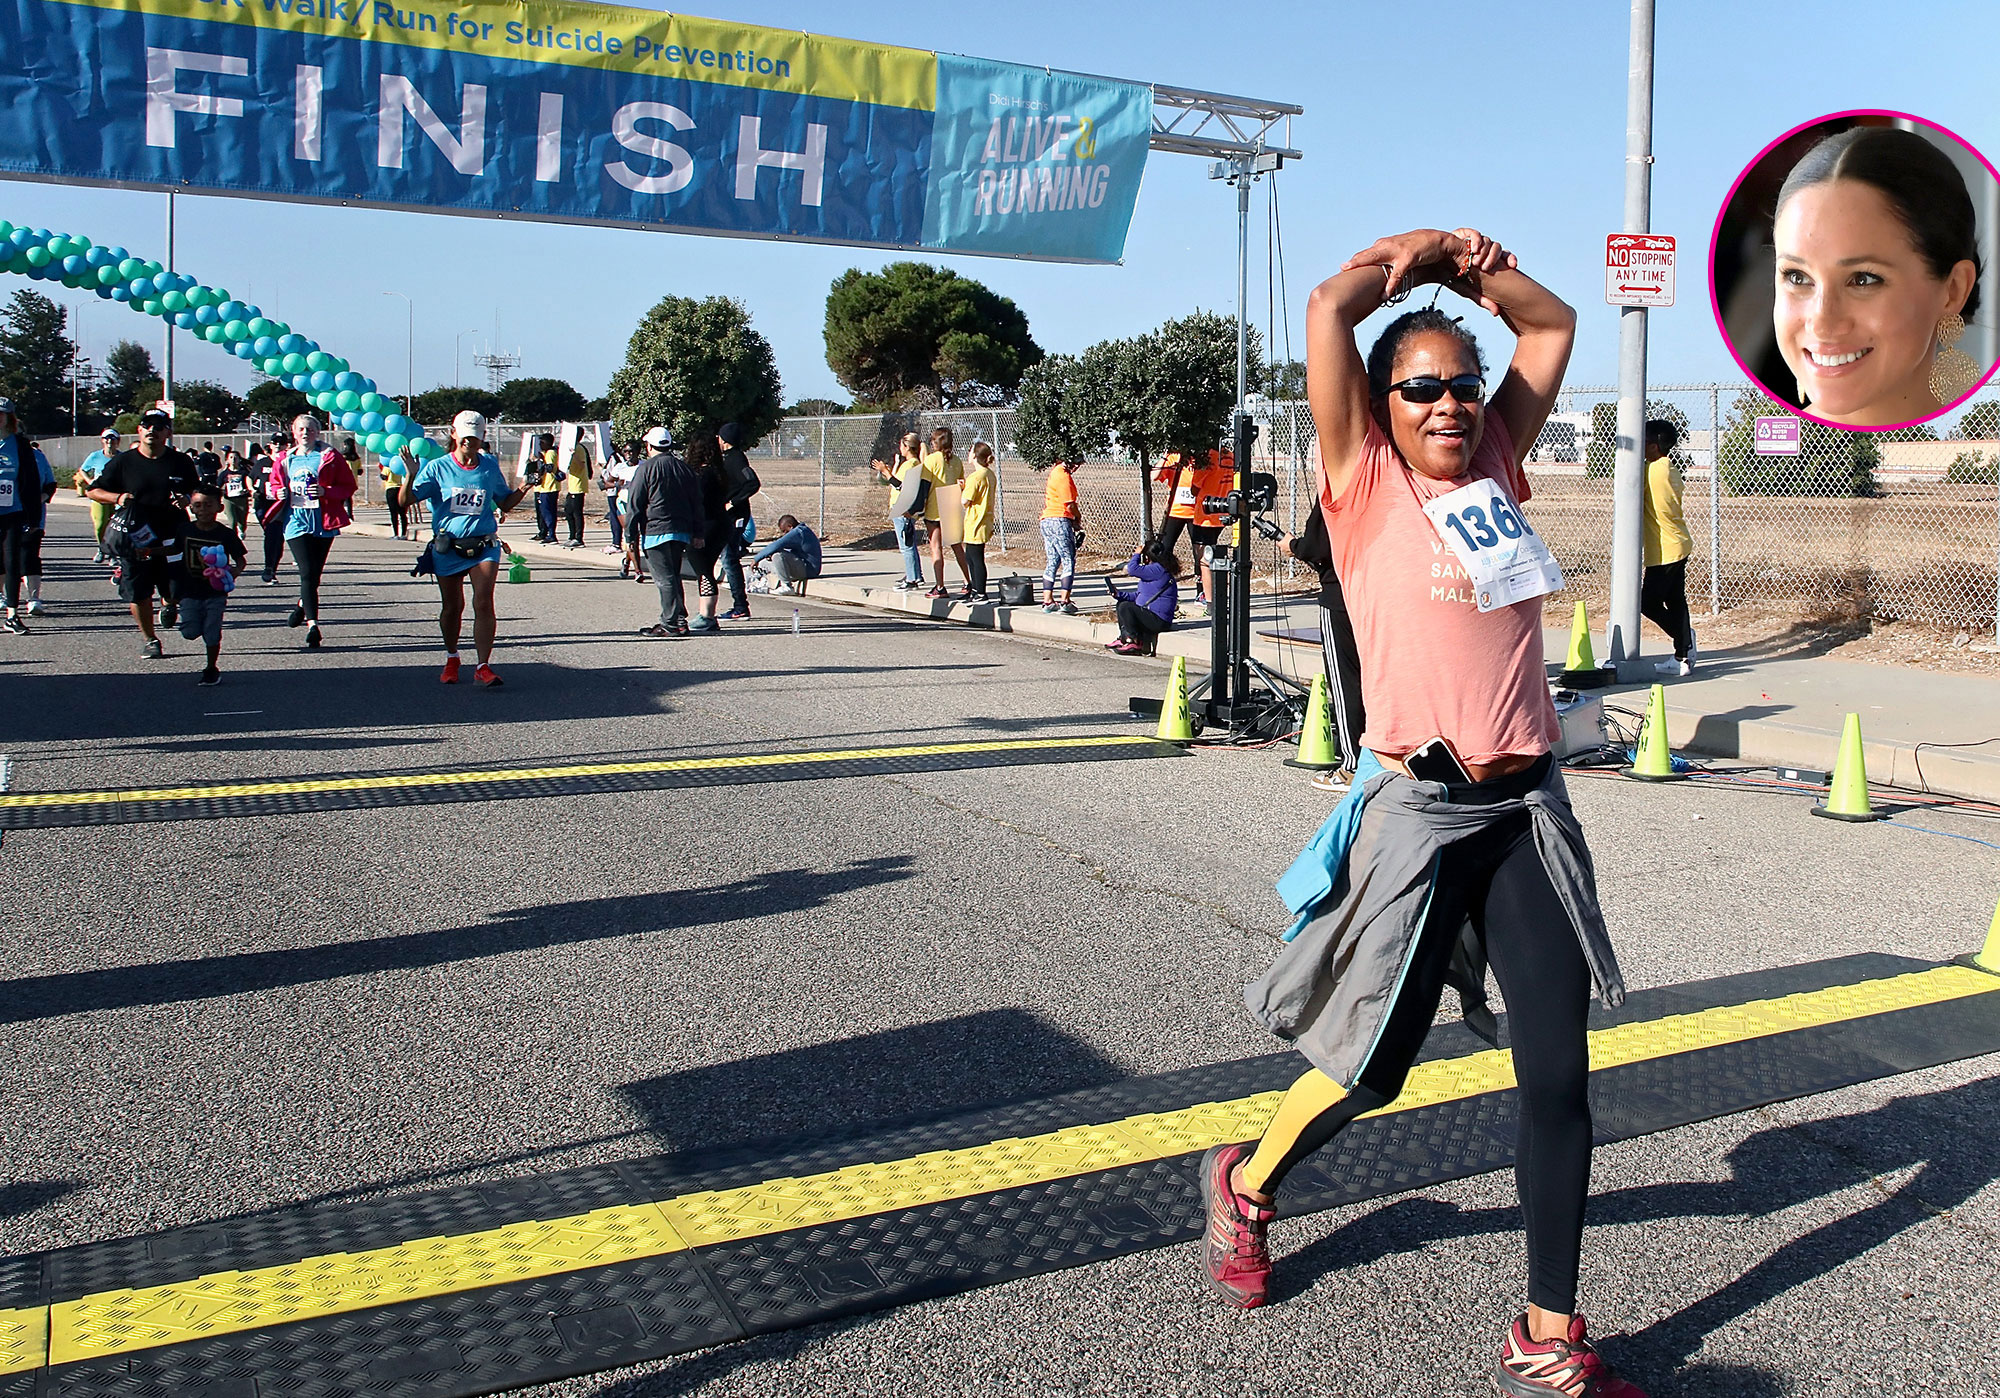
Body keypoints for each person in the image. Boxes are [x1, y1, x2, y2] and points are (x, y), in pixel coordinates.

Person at [1199, 227, 1647, 1398]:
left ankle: (1546, 1331)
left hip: (1525, 812)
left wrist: (1472, 269)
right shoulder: (1360, 481)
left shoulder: (1494, 457)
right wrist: (1417, 253)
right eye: (1419, 388)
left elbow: (1548, 324)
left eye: (1461, 385)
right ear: (1379, 406)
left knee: (1556, 1074)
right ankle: (1247, 1182)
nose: (1447, 404)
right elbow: (1328, 306)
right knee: (1372, 1066)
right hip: (1419, 813)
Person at [1772, 126, 1982, 426]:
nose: (1821, 323)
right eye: (1797, 277)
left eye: (1863, 279)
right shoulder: (1759, 450)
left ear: (1953, 290)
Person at [408, 410, 527, 686]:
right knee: (452, 607)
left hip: (484, 545)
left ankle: (483, 666)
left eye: (474, 437)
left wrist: (525, 487)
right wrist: (409, 477)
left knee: (483, 601)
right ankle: (452, 658)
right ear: (454, 434)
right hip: (448, 547)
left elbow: (504, 502)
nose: (468, 442)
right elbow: (406, 500)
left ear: (482, 437)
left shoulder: (489, 466)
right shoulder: (438, 468)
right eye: (464, 436)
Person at [87, 407, 196, 657]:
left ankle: (169, 603)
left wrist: (188, 499)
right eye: (147, 426)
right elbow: (94, 490)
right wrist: (118, 497)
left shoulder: (180, 461)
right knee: (139, 592)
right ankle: (150, 639)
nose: (151, 430)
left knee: (175, 589)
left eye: (158, 427)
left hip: (172, 537)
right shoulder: (124, 462)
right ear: (139, 430)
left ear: (168, 433)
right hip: (135, 538)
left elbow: (197, 490)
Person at [1281, 495, 1366, 787]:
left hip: (1340, 596)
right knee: (1376, 683)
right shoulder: (1384, 484)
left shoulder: (1336, 489)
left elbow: (1317, 547)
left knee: (1345, 684)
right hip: (1379, 593)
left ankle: (1352, 766)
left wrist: (1293, 546)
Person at [275, 413, 356, 649]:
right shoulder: (285, 458)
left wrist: (325, 492)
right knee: (307, 572)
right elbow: (275, 483)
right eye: (301, 429)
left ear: (318, 433)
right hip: (295, 521)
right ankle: (313, 626)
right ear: (294, 432)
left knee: (314, 574)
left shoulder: (330, 456)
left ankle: (302, 605)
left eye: (310, 429)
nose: (305, 433)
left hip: (323, 521)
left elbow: (348, 486)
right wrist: (278, 491)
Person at [624, 425, 702, 636]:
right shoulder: (684, 468)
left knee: (664, 579)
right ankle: (679, 620)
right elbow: (697, 503)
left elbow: (635, 504)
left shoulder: (646, 469)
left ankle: (669, 624)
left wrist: (630, 535)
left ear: (649, 446)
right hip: (681, 530)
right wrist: (698, 532)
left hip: (656, 531)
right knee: (673, 575)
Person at [174, 482, 247, 685]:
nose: (203, 510)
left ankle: (211, 668)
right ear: (191, 508)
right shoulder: (185, 529)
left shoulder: (225, 534)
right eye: (198, 505)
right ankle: (179, 615)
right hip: (189, 591)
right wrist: (150, 551)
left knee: (212, 632)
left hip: (215, 592)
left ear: (219, 507)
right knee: (190, 633)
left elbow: (240, 560)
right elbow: (174, 550)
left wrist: (234, 572)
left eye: (208, 505)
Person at [1640, 419, 1696, 676]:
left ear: (1654, 446)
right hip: (1677, 543)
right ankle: (1681, 656)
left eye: (1644, 441)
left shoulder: (1653, 471)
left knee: (1648, 603)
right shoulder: (1668, 467)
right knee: (1675, 600)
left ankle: (1685, 641)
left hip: (1665, 549)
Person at [1153, 447, 1230, 612]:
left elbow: (1197, 486)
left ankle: (1202, 593)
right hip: (1176, 511)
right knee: (1165, 549)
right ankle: (1163, 588)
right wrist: (1165, 455)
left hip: (1197, 512)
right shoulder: (1174, 456)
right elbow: (1154, 476)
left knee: (1200, 554)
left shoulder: (1205, 458)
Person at [0, 400, 54, 633]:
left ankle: (12, 614)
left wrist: (33, 518)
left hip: (12, 512)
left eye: (2, 414)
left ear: (9, 418)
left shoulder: (20, 445)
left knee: (12, 562)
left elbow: (31, 482)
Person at [681, 429, 734, 632]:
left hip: (706, 525)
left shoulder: (701, 475)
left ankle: (707, 616)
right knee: (706, 568)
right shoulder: (719, 471)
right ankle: (706, 613)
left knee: (703, 570)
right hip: (721, 523)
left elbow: (696, 502)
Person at [870, 431, 927, 589]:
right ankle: (915, 574)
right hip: (903, 508)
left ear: (907, 447)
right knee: (909, 544)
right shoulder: (912, 463)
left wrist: (885, 471)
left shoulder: (911, 464)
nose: (900, 448)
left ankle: (912, 579)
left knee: (906, 546)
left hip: (902, 508)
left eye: (902, 445)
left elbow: (900, 486)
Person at [716, 422, 760, 618]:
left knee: (729, 558)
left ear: (725, 439)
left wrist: (733, 502)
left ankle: (740, 606)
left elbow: (753, 483)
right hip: (726, 517)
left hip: (736, 517)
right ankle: (739, 605)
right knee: (727, 557)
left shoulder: (736, 459)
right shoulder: (725, 458)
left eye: (719, 437)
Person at [920, 426, 969, 598]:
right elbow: (960, 482)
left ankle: (940, 586)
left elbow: (924, 485)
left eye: (933, 440)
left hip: (935, 509)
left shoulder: (931, 460)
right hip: (952, 506)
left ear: (937, 443)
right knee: (957, 547)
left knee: (936, 548)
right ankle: (968, 581)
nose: (932, 443)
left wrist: (917, 507)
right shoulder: (956, 461)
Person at [1107, 542, 1179, 656]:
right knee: (1122, 603)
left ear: (1146, 557)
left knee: (1126, 607)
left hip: (1159, 620)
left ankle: (1134, 641)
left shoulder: (1157, 569)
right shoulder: (1154, 571)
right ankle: (1125, 638)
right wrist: (1118, 594)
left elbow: (1131, 569)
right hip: (1151, 616)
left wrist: (1136, 554)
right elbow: (1139, 596)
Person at [1039, 458, 1080, 614]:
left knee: (1053, 560)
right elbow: (1069, 503)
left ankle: (1047, 600)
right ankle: (1065, 601)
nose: (1076, 467)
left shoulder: (1054, 472)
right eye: (1076, 464)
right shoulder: (1063, 475)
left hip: (1047, 520)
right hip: (1059, 520)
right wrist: (1077, 517)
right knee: (1068, 559)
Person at [75, 426, 120, 561]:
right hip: (99, 494)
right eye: (107, 438)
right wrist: (90, 481)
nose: (109, 441)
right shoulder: (95, 456)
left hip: (116, 495)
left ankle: (112, 553)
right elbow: (83, 469)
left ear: (118, 441)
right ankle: (101, 548)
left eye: (113, 438)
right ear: (102, 440)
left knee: (115, 526)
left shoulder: (122, 457)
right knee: (100, 524)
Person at [959, 440, 996, 602]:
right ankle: (975, 590)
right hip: (985, 520)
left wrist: (962, 490)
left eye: (970, 451)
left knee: (975, 559)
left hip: (975, 521)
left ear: (974, 456)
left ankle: (980, 592)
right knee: (972, 557)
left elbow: (965, 501)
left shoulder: (975, 477)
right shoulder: (989, 474)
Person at [749, 513, 821, 594]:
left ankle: (787, 586)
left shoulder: (799, 532)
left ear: (790, 526)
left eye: (784, 531)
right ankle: (761, 581)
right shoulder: (801, 531)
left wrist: (756, 559)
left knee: (778, 556)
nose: (784, 534)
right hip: (803, 566)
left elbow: (776, 545)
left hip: (809, 570)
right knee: (764, 563)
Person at [253, 437, 288, 584]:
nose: (278, 445)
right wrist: (252, 490)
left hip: (282, 506)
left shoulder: (288, 462)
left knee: (278, 539)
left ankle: (272, 568)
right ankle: (269, 567)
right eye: (275, 442)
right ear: (270, 445)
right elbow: (250, 477)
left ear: (287, 445)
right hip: (264, 505)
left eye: (281, 442)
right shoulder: (262, 463)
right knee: (271, 533)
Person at [561, 430, 593, 548]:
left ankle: (579, 538)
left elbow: (581, 465)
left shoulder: (578, 449)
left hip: (578, 486)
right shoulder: (573, 448)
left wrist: (573, 455)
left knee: (576, 512)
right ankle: (572, 536)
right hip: (572, 486)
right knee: (568, 511)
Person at [531, 433, 561, 542]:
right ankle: (548, 533)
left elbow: (549, 468)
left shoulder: (550, 453)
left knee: (548, 512)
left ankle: (551, 534)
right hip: (546, 487)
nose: (540, 445)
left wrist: (542, 460)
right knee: (545, 512)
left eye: (542, 443)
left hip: (549, 487)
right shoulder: (547, 453)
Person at [382, 444, 414, 540]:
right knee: (402, 513)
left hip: (391, 489)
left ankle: (395, 533)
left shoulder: (389, 466)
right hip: (401, 488)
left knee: (393, 513)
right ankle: (404, 533)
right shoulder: (404, 465)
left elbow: (383, 476)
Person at [218, 444, 252, 536]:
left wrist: (247, 490)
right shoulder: (224, 473)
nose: (233, 459)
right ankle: (233, 538)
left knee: (242, 522)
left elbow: (250, 484)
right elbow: (218, 486)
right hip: (229, 499)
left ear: (239, 459)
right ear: (227, 460)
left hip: (241, 499)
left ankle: (242, 530)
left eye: (236, 457)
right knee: (232, 522)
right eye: (231, 457)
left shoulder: (244, 472)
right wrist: (221, 493)